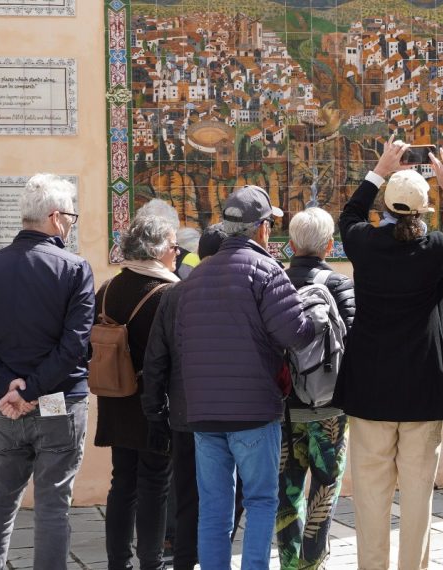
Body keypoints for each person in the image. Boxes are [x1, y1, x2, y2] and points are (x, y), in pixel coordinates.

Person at [333, 140, 443, 570]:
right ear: (422, 211)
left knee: (370, 496)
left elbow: (349, 215)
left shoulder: (363, 244)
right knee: (417, 498)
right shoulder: (434, 250)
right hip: (422, 393)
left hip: (371, 392)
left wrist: (377, 171)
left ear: (386, 206)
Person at [175, 186, 321, 570]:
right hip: (253, 410)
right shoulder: (265, 270)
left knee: (214, 508)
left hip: (204, 413)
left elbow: (183, 342)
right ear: (262, 228)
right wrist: (315, 319)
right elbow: (295, 334)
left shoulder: (195, 277)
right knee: (260, 501)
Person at [0, 173, 94, 570]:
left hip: (7, 405)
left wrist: (10, 386)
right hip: (57, 402)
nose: (71, 224)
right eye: (71, 216)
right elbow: (74, 344)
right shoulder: (74, 269)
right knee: (53, 505)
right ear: (55, 217)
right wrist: (32, 390)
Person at [141, 223, 230, 570]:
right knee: (230, 495)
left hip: (185, 412)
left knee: (188, 496)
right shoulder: (243, 290)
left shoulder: (176, 294)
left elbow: (155, 359)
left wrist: (154, 413)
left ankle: (185, 560)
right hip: (233, 414)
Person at [96, 214, 179, 570]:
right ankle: (151, 563)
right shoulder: (169, 293)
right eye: (173, 246)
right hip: (154, 403)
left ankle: (118, 563)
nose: (177, 253)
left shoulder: (107, 289)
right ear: (157, 250)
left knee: (122, 483)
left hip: (115, 398)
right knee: (155, 484)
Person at [275, 207, 356, 570]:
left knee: (287, 492)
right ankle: (313, 564)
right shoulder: (339, 285)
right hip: (330, 409)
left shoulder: (274, 284)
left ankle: (291, 566)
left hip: (283, 409)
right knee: (325, 490)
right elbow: (354, 343)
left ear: (291, 245)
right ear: (328, 245)